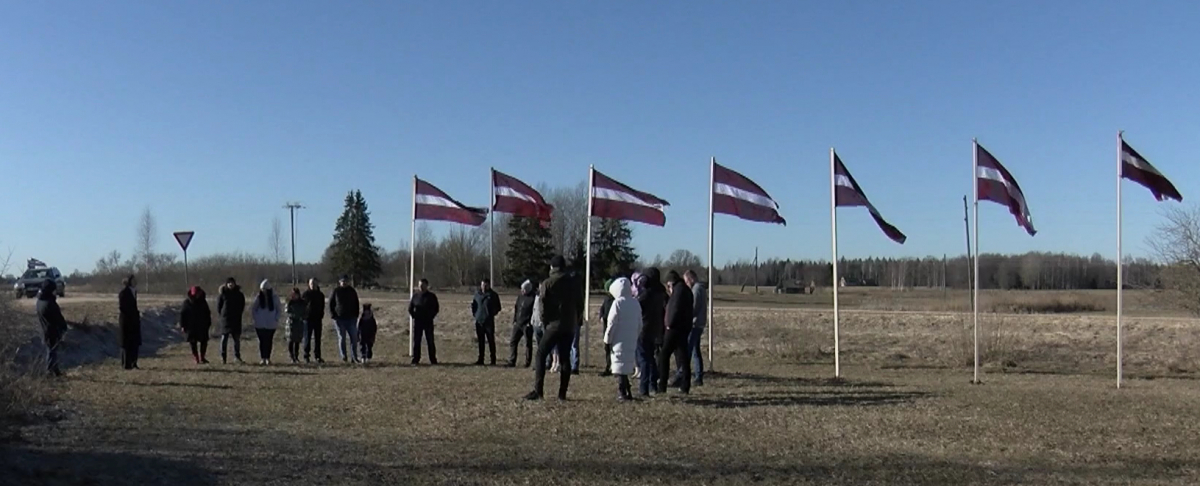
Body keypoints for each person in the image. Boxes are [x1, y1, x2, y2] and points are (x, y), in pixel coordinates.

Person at [525, 255, 581, 401]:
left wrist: (544, 322)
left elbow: (542, 305)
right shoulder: (574, 283)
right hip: (569, 325)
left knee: (541, 354)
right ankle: (562, 394)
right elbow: (580, 303)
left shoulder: (548, 283)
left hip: (553, 325)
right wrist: (576, 320)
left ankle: (538, 391)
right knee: (565, 358)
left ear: (552, 267)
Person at [604, 278, 642, 401]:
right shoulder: (635, 303)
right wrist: (636, 334)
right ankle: (628, 390)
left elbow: (612, 323)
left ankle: (622, 391)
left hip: (618, 339)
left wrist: (607, 339)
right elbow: (640, 323)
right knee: (627, 364)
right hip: (631, 338)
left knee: (619, 365)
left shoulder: (617, 303)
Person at [658, 271, 695, 394]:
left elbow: (674, 309)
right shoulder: (686, 290)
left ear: (671, 282)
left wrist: (669, 324)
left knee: (664, 355)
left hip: (674, 329)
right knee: (683, 357)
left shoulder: (678, 292)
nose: (668, 289)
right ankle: (685, 385)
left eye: (669, 285)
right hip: (684, 328)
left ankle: (662, 385)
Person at [636, 268, 667, 397]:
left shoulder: (646, 295)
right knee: (650, 357)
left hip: (644, 328)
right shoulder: (661, 293)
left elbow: (637, 307)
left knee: (643, 358)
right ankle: (653, 383)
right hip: (656, 328)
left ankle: (644, 388)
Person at [674, 270, 707, 387]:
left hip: (694, 324)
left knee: (687, 350)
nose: (686, 283)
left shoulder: (697, 289)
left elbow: (694, 307)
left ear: (691, 278)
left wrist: (685, 315)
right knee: (695, 351)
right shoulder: (701, 288)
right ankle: (698, 376)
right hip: (699, 323)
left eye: (686, 280)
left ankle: (681, 374)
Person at [37, 280, 67, 377]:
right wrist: (63, 327)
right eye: (54, 289)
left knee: (51, 351)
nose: (55, 291)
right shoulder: (50, 303)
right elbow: (58, 318)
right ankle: (49, 371)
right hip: (51, 331)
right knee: (51, 352)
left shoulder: (39, 301)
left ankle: (55, 370)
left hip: (44, 330)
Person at [328, 275, 361, 363]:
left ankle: (354, 357)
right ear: (339, 282)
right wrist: (333, 315)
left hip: (351, 318)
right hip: (339, 319)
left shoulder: (352, 291)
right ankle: (344, 356)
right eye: (343, 281)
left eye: (346, 281)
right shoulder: (336, 291)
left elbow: (356, 303)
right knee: (342, 338)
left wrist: (356, 315)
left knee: (354, 338)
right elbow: (330, 304)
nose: (344, 282)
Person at [505, 280, 537, 368]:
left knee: (528, 344)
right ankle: (512, 360)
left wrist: (530, 322)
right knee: (513, 341)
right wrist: (515, 320)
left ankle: (527, 362)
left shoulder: (533, 298)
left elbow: (534, 311)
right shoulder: (520, 297)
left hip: (527, 324)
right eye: (521, 289)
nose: (522, 291)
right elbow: (516, 308)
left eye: (523, 290)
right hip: (518, 323)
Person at [471, 278, 502, 366]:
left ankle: (493, 359)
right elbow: (473, 305)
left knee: (491, 341)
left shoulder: (493, 295)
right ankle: (481, 359)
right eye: (482, 285)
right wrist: (475, 314)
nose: (484, 287)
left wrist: (491, 313)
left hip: (489, 322)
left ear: (488, 285)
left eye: (485, 285)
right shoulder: (477, 294)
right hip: (479, 321)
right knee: (481, 341)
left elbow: (498, 307)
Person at [408, 278, 439, 365]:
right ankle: (416, 359)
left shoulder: (431, 296)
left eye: (422, 285)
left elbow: (436, 308)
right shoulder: (415, 296)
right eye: (419, 285)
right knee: (417, 341)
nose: (420, 287)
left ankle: (433, 359)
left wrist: (431, 316)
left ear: (426, 285)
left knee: (430, 341)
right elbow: (410, 308)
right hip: (418, 322)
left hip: (428, 322)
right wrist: (414, 316)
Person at [179, 286, 212, 365]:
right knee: (193, 342)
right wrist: (182, 325)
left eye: (198, 294)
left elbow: (207, 313)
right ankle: (196, 357)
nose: (196, 296)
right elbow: (182, 314)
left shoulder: (203, 302)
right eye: (195, 294)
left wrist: (208, 323)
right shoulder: (186, 303)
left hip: (202, 325)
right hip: (191, 326)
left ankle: (202, 357)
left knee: (204, 341)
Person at [251, 280, 281, 365]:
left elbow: (279, 309)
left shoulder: (274, 298)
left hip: (271, 324)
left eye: (265, 289)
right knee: (261, 341)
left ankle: (268, 357)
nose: (263, 291)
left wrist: (276, 318)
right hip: (260, 324)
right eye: (262, 289)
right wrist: (256, 318)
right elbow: (254, 308)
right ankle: (262, 358)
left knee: (269, 341)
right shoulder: (258, 297)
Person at [217, 277, 246, 364]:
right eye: (229, 283)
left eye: (232, 282)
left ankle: (237, 357)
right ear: (226, 284)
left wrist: (238, 314)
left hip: (236, 320)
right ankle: (223, 357)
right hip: (225, 320)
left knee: (236, 339)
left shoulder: (239, 294)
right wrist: (223, 315)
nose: (231, 284)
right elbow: (219, 307)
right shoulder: (223, 294)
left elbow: (242, 305)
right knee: (224, 339)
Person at [118, 274, 141, 370]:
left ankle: (134, 362)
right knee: (126, 343)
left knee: (135, 342)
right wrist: (130, 315)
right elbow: (122, 307)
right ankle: (126, 364)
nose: (135, 282)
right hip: (126, 321)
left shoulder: (134, 291)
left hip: (134, 321)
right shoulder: (123, 293)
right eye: (133, 280)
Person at [301, 278, 325, 363]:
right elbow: (302, 306)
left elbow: (322, 306)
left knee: (317, 339)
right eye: (311, 284)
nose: (313, 285)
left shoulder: (320, 295)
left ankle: (317, 356)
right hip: (308, 319)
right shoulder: (305, 294)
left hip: (318, 319)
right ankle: (306, 355)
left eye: (314, 284)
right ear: (308, 284)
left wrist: (321, 314)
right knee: (307, 338)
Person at [597, 278, 616, 377]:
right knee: (607, 347)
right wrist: (601, 315)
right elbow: (603, 308)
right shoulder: (607, 298)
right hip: (606, 325)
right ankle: (609, 365)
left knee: (613, 347)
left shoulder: (615, 299)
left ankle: (614, 367)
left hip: (613, 325)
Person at [284, 288, 306, 364]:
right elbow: (287, 311)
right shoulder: (289, 302)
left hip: (299, 323)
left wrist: (302, 317)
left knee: (297, 340)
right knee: (291, 340)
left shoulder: (302, 303)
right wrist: (293, 316)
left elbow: (305, 311)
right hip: (291, 323)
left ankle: (296, 356)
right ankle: (291, 356)